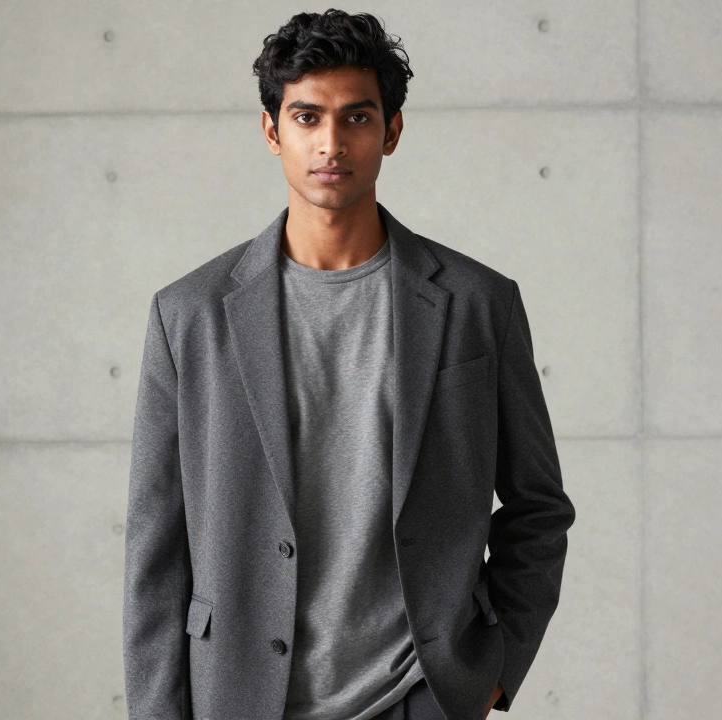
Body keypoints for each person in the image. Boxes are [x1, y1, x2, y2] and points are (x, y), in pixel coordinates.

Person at [123, 9, 575, 720]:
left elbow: (538, 508)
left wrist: (493, 667)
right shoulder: (189, 315)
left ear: (391, 131)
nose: (331, 143)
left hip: (415, 697)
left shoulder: (477, 303)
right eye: (307, 117)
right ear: (272, 131)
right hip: (240, 699)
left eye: (356, 118)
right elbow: (156, 553)